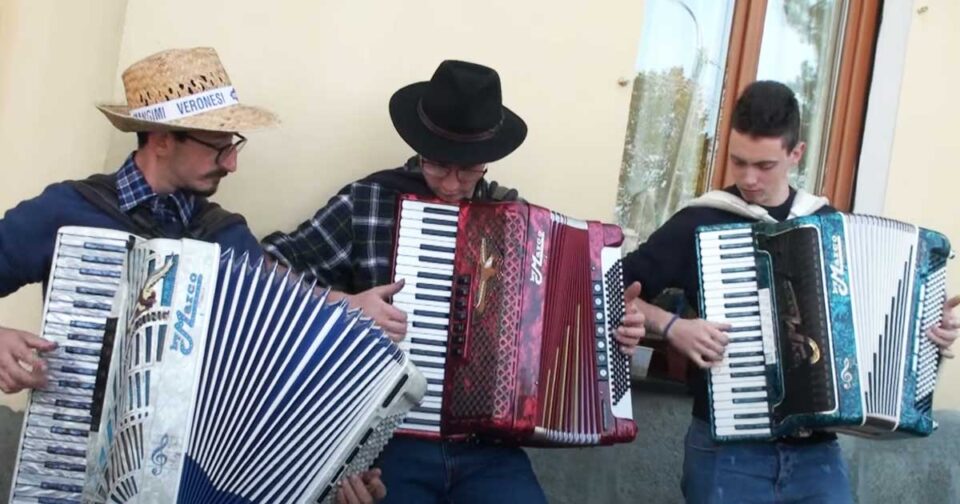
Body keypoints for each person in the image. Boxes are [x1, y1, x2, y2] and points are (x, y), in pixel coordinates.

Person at [0, 47, 384, 504]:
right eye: (218, 147)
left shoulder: (226, 237)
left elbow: (276, 366)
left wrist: (333, 474)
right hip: (72, 458)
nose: (232, 163)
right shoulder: (70, 211)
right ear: (162, 140)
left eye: (233, 145)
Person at [262, 59, 647, 503]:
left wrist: (614, 330)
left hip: (488, 448)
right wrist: (343, 303)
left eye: (468, 170)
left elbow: (560, 332)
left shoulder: (518, 224)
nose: (450, 184)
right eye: (438, 165)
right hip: (389, 442)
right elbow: (265, 266)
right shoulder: (367, 200)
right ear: (418, 148)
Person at [621, 80, 960, 503]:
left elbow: (875, 336)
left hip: (817, 455)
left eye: (764, 165)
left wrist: (930, 335)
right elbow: (613, 289)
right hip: (728, 454)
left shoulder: (830, 227)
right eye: (738, 161)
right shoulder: (701, 220)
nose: (748, 178)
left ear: (796, 153)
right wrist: (673, 326)